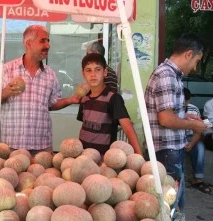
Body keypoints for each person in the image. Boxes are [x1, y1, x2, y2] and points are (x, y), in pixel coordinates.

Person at [0, 25, 80, 155]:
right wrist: (7, 91)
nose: (48, 45)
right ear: (29, 43)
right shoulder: (7, 70)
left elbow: (52, 104)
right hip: (11, 146)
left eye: (48, 41)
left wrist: (71, 100)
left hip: (42, 147)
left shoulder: (50, 74)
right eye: (43, 41)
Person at [144, 33, 207, 210]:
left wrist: (185, 117)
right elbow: (165, 119)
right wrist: (194, 125)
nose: (195, 68)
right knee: (168, 205)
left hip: (169, 150)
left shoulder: (171, 74)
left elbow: (168, 113)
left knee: (173, 202)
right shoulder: (166, 75)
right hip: (167, 151)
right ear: (188, 54)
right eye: (196, 60)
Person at [77, 53, 141, 156]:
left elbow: (128, 128)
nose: (93, 74)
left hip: (105, 160)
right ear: (83, 74)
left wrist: (139, 154)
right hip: (84, 156)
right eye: (88, 70)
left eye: (98, 69)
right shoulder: (84, 99)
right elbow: (84, 126)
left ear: (105, 72)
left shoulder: (113, 98)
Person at [183, 88, 211, 194]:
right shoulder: (172, 110)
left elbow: (199, 130)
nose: (184, 103)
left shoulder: (193, 109)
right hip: (177, 138)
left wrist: (191, 143)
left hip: (191, 137)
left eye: (186, 101)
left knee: (200, 148)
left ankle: (198, 179)